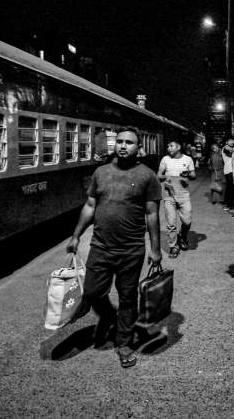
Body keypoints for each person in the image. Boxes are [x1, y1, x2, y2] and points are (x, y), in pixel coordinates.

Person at [66, 127, 162, 369]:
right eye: (119, 141)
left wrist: (156, 249)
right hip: (101, 246)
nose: (123, 146)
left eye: (129, 142)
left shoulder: (147, 176)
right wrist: (76, 236)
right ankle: (109, 316)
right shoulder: (101, 172)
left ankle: (124, 343)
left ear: (138, 147)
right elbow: (90, 206)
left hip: (131, 249)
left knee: (128, 297)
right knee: (90, 292)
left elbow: (152, 214)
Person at [157, 140, 196, 258]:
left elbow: (193, 175)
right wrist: (166, 176)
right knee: (171, 223)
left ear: (178, 147)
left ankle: (182, 237)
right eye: (168, 146)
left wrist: (189, 174)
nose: (169, 148)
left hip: (183, 194)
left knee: (187, 221)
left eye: (171, 146)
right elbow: (159, 175)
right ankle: (173, 246)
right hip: (169, 194)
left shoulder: (188, 159)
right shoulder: (165, 159)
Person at [221, 138, 234, 213]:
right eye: (230, 141)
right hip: (229, 170)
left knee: (230, 188)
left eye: (232, 141)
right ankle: (229, 205)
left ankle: (228, 204)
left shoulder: (232, 148)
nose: (232, 142)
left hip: (231, 170)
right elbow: (230, 151)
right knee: (231, 188)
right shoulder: (225, 148)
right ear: (227, 142)